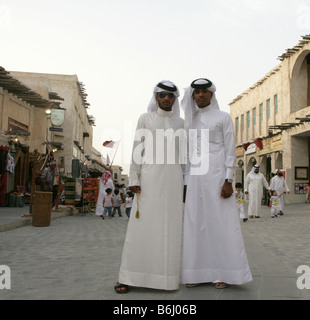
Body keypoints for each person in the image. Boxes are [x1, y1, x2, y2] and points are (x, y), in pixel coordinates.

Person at [115, 80, 185, 294]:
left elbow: (185, 157)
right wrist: (134, 179)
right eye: (162, 94)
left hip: (174, 181)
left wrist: (186, 183)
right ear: (156, 97)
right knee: (141, 227)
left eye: (170, 95)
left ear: (175, 99)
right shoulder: (145, 119)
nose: (166, 98)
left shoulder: (181, 124)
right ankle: (128, 276)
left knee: (170, 229)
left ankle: (166, 279)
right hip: (148, 181)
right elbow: (137, 150)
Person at [181, 78, 252, 289]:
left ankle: (223, 272)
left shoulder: (223, 117)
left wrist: (228, 180)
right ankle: (195, 272)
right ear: (192, 96)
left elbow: (230, 150)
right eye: (196, 92)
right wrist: (185, 183)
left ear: (211, 94)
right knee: (195, 223)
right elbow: (187, 154)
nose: (200, 95)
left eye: (204, 91)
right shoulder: (189, 121)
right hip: (194, 179)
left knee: (220, 224)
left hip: (218, 178)